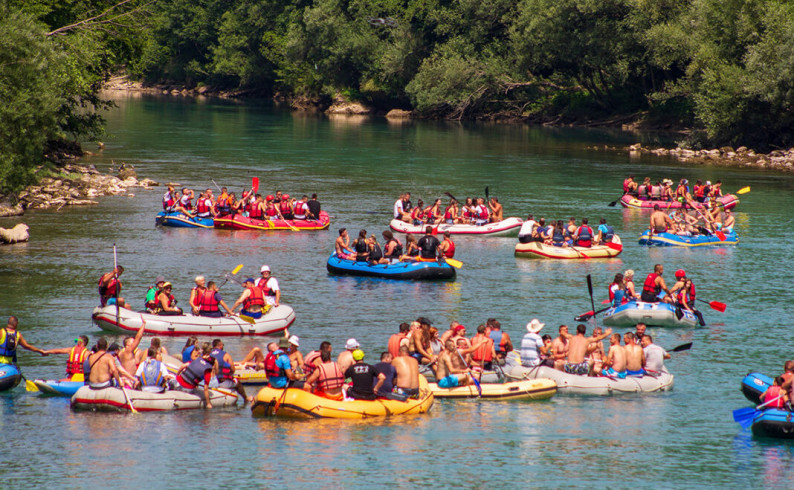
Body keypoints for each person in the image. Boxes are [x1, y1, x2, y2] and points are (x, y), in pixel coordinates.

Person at [174, 343, 216, 408]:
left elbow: (183, 366)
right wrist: (208, 403)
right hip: (187, 389)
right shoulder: (207, 370)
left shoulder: (197, 360)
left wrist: (177, 376)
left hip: (177, 382)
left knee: (171, 381)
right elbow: (205, 389)